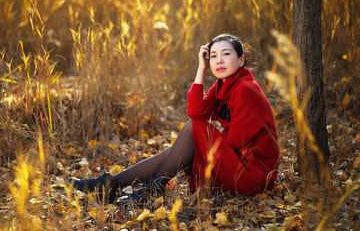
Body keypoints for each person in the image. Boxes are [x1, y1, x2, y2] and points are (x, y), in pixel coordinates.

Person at [70, 34, 279, 202]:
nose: (219, 60)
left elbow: (233, 141)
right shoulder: (224, 85)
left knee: (193, 131)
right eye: (213, 56)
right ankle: (110, 185)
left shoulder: (246, 89)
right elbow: (196, 111)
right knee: (182, 145)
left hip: (252, 175)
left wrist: (200, 145)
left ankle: (150, 188)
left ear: (242, 60)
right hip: (236, 163)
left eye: (226, 54)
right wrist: (200, 69)